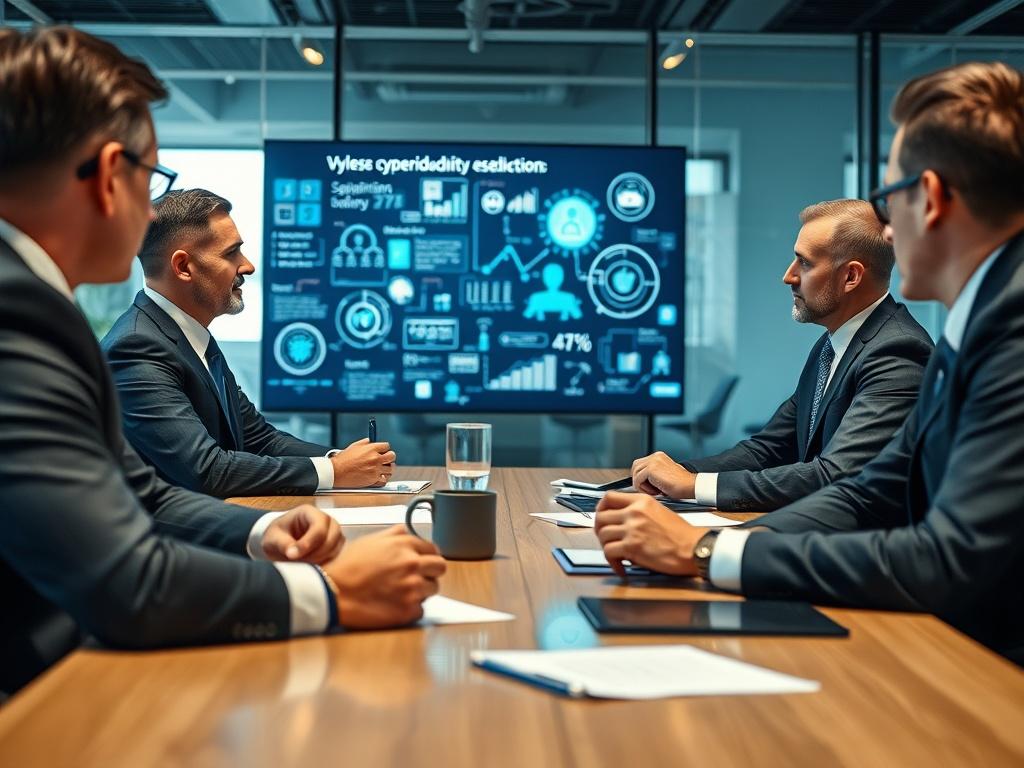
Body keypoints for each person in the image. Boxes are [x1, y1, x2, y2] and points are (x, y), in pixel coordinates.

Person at [0, 26, 445, 696]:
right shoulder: (20, 318)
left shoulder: (37, 307)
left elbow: (141, 495)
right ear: (110, 174)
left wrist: (265, 530)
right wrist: (324, 591)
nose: (151, 207)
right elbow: (132, 585)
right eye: (152, 179)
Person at [596, 61, 1024, 664]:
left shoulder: (1009, 334)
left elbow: (946, 557)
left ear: (927, 199)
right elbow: (868, 492)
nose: (887, 232)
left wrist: (703, 552)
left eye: (886, 197)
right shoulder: (975, 324)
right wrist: (707, 540)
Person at [631, 199, 933, 510]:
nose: (788, 276)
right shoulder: (833, 345)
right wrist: (678, 474)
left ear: (851, 277)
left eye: (804, 263)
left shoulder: (897, 352)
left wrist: (693, 485)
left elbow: (836, 475)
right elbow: (768, 449)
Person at [102, 188, 395, 498]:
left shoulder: (191, 338)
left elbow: (260, 439)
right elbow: (206, 470)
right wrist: (334, 472)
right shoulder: (136, 347)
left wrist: (343, 460)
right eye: (231, 253)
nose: (248, 266)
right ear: (183, 267)